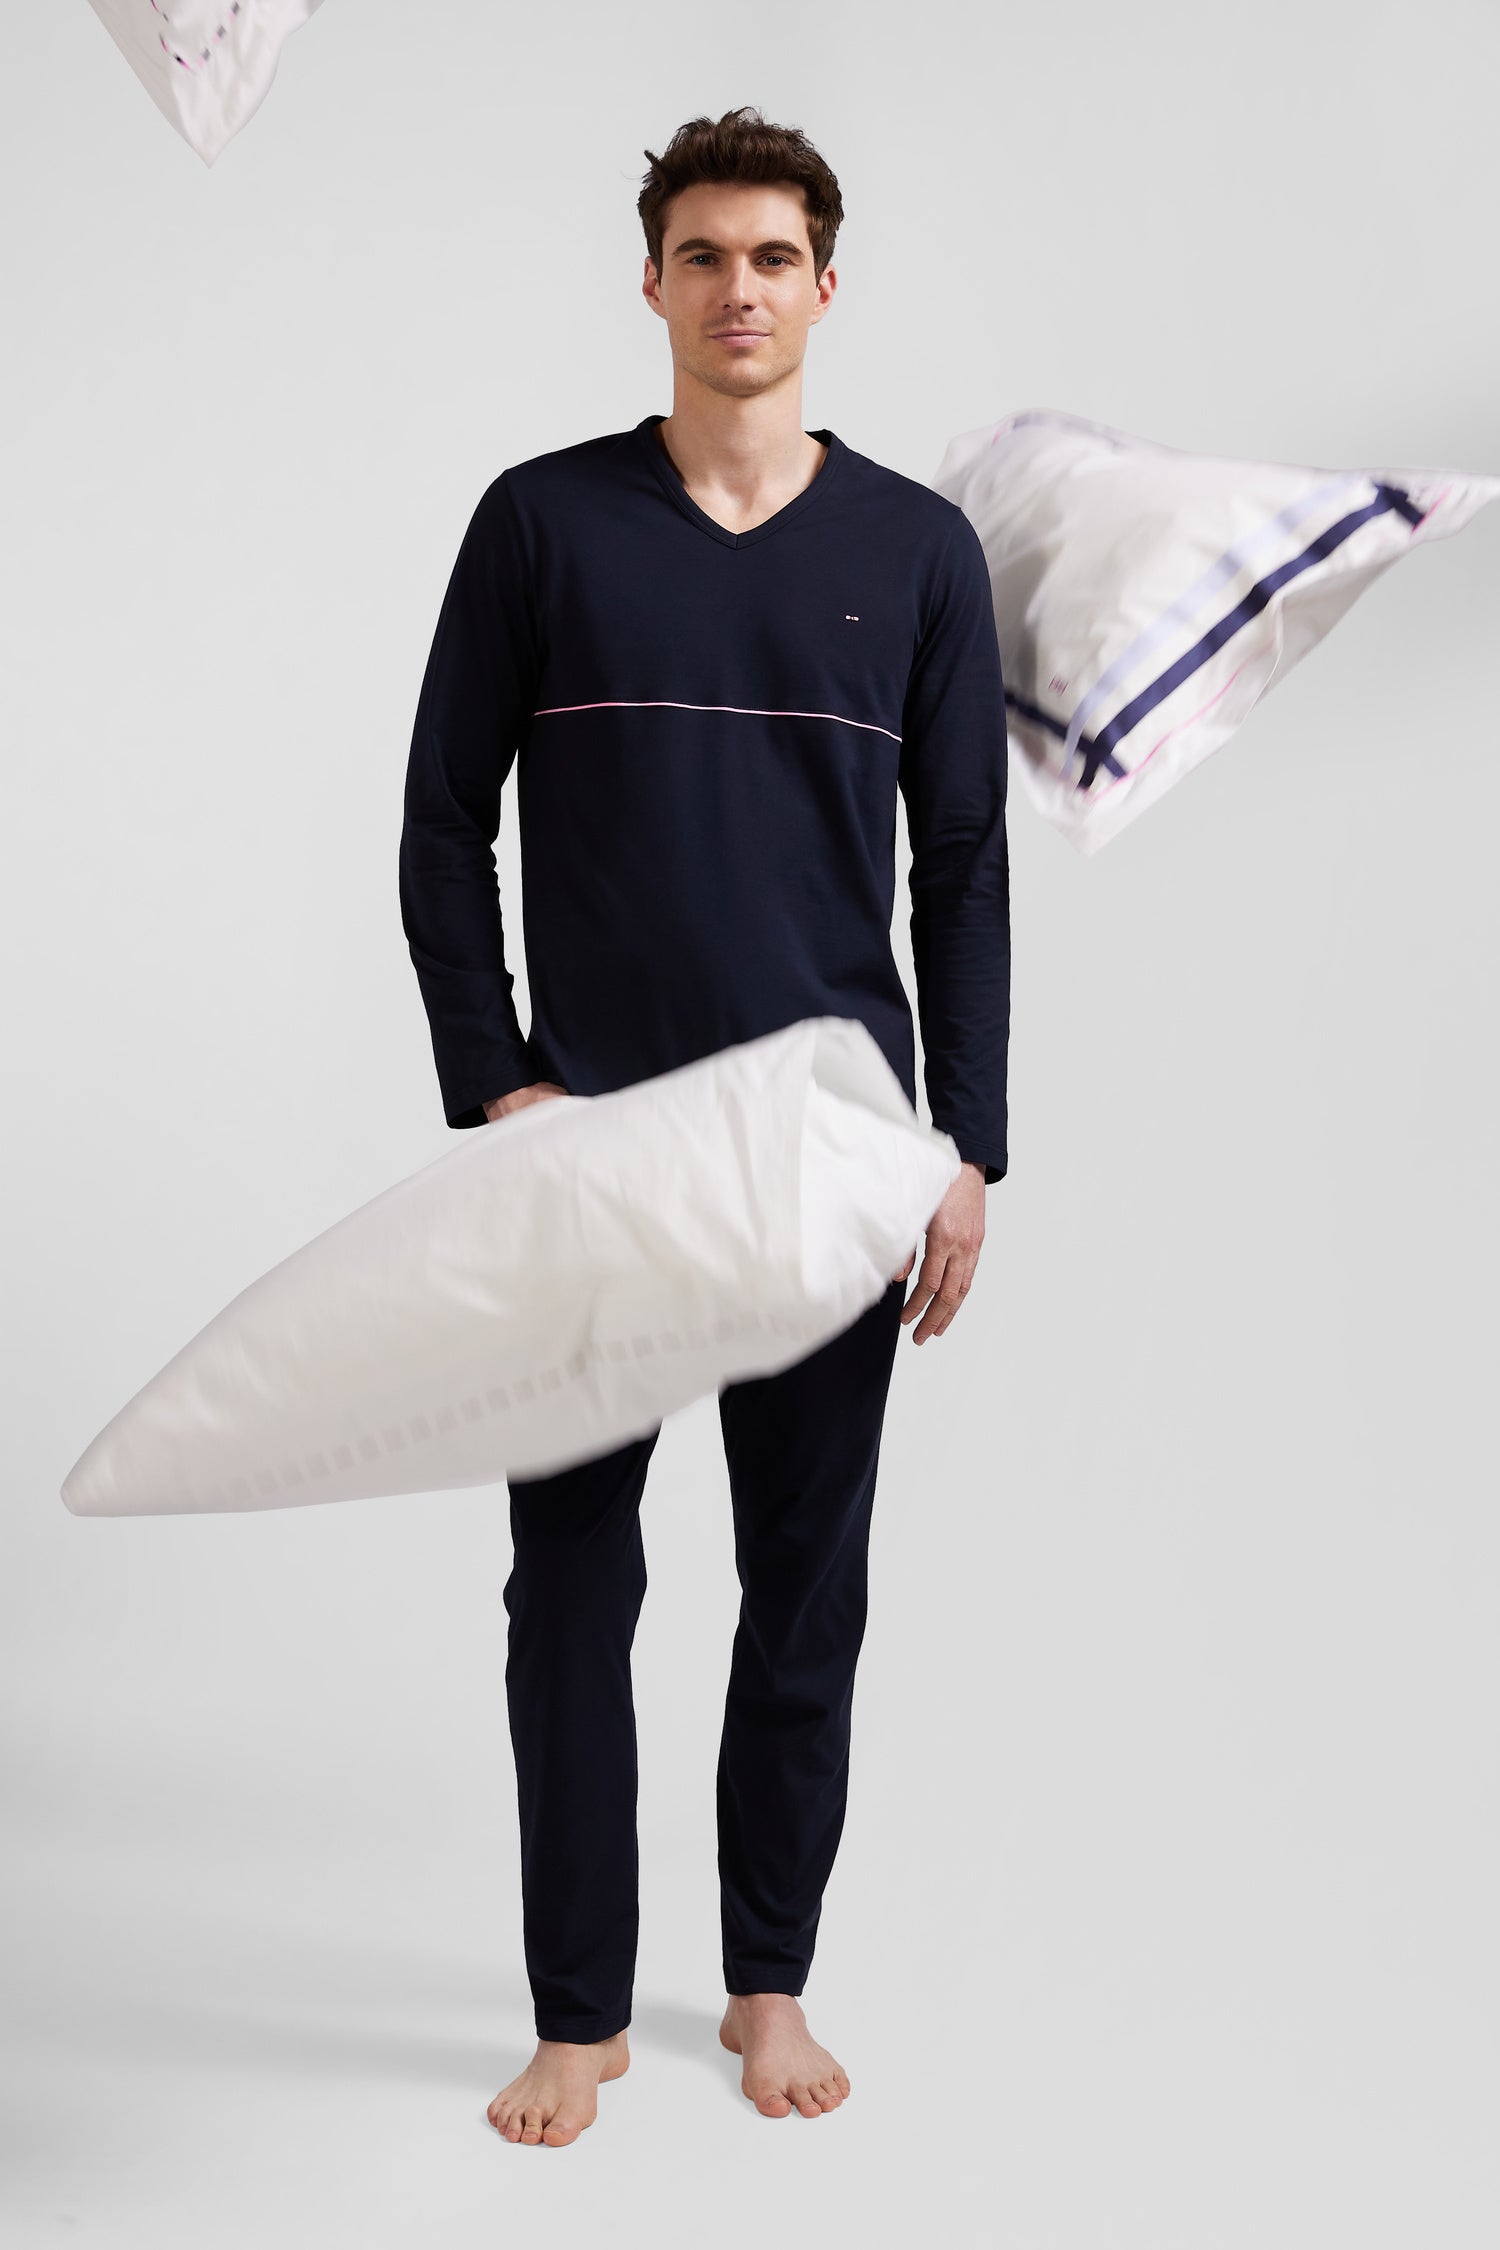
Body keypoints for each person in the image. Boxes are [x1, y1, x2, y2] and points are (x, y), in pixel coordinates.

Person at [398, 104, 1010, 2148]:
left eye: (771, 258)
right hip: (595, 1165)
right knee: (570, 1586)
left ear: (826, 287)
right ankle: (578, 2013)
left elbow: (966, 865)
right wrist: (501, 1077)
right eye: (702, 256)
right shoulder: (541, 523)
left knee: (803, 1585)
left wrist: (966, 1144)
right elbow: (438, 825)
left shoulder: (916, 552)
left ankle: (766, 1985)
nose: (737, 289)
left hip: (834, 1157)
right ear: (649, 283)